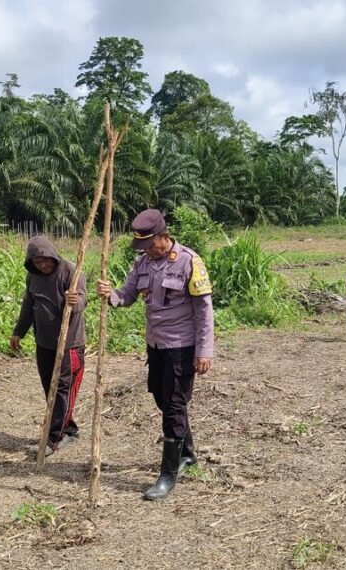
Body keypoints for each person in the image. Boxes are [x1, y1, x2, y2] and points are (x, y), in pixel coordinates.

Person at [97, 209, 215, 501]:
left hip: (182, 346)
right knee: (161, 397)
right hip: (156, 345)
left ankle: (167, 474)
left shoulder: (189, 261)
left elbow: (204, 311)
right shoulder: (143, 263)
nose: (147, 250)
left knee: (173, 405)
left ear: (165, 236)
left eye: (151, 244)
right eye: (143, 246)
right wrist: (111, 295)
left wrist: (204, 351)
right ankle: (186, 454)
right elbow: (127, 294)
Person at [10, 236, 86, 455]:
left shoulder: (70, 271)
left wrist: (74, 301)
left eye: (46, 260)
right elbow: (28, 305)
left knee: (62, 389)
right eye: (37, 262)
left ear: (53, 255)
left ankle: (53, 438)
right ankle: (68, 429)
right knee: (49, 388)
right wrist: (18, 332)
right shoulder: (32, 277)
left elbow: (83, 299)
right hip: (44, 342)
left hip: (69, 344)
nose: (43, 265)